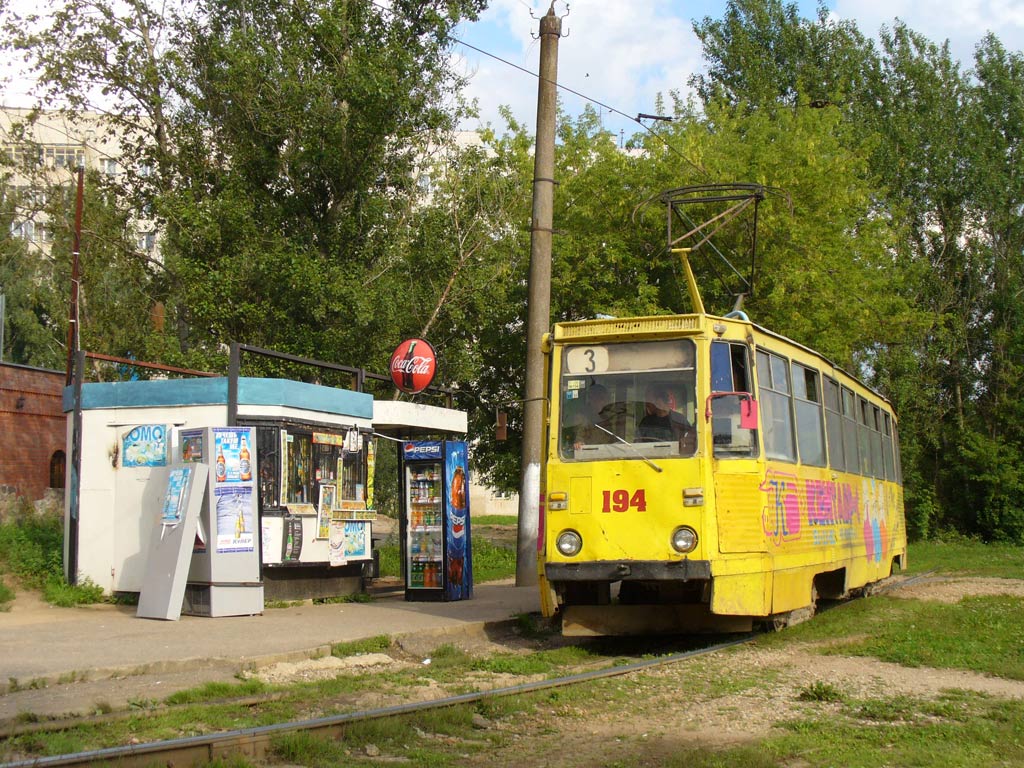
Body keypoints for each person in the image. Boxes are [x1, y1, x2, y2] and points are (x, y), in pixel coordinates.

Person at [638, 383, 696, 453]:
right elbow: (637, 444)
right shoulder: (646, 422)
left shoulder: (679, 420)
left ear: (659, 401)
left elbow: (689, 443)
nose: (646, 403)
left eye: (649, 400)